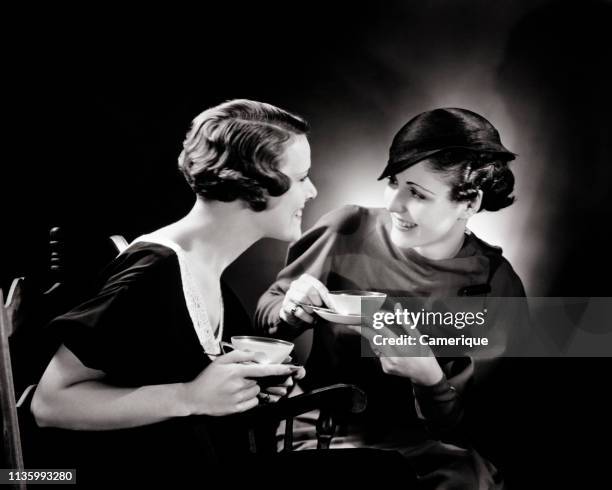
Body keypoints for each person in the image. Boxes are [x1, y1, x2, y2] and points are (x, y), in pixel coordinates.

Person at [28, 99, 315, 482]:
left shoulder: (207, 270)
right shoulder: (153, 272)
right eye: (301, 178)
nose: (311, 192)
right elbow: (49, 404)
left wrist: (246, 390)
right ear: (254, 183)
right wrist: (190, 396)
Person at [255, 108, 526, 489]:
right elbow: (266, 316)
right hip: (322, 429)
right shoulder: (347, 227)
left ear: (469, 204)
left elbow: (483, 425)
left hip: (425, 447)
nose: (395, 204)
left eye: (416, 193)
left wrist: (430, 379)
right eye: (394, 182)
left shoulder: (495, 283)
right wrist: (290, 311)